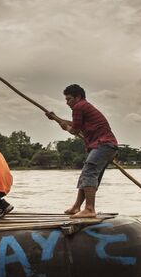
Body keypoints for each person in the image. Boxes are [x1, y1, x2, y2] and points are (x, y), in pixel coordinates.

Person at [46, 84, 118, 218]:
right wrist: (56, 118)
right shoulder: (84, 106)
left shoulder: (79, 106)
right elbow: (75, 124)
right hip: (107, 146)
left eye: (69, 99)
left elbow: (74, 130)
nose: (67, 103)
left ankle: (89, 209)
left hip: (103, 144)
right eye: (66, 100)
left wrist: (65, 128)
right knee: (87, 174)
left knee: (89, 173)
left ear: (78, 97)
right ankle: (76, 207)